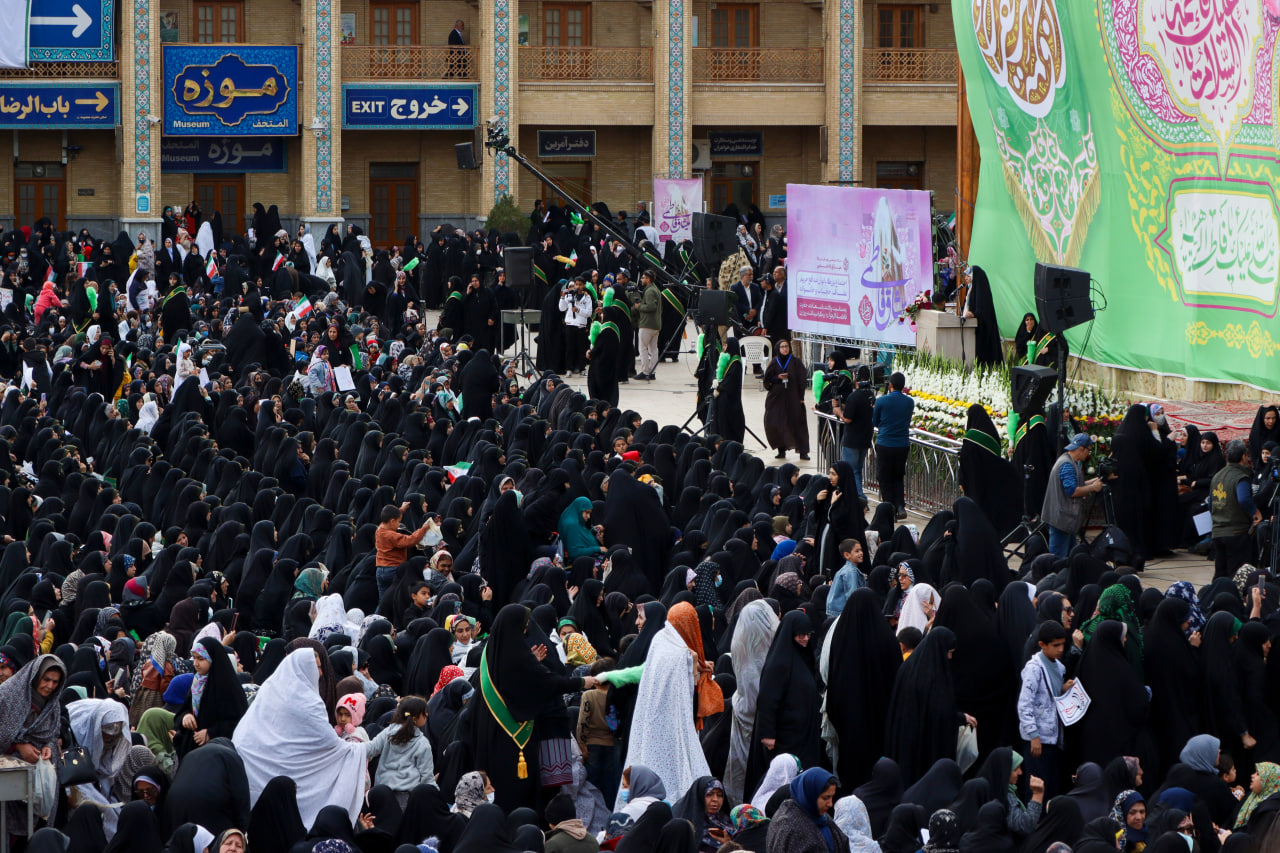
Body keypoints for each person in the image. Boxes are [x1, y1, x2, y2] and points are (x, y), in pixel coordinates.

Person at [1017, 621, 1075, 798]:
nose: (1060, 649)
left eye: (1062, 645)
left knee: (1051, 785)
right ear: (1042, 645)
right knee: (1037, 787)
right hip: (1037, 739)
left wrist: (1064, 689)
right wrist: (1033, 735)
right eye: (1055, 645)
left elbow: (1051, 695)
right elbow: (1024, 703)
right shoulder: (1034, 669)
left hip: (1053, 738)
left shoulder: (1058, 666)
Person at [365, 695, 435, 808]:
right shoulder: (422, 743)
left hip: (382, 791)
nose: (427, 715)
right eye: (424, 713)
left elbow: (371, 749)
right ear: (415, 718)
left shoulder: (389, 732)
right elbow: (426, 775)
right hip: (406, 796)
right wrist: (434, 793)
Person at [1041, 433, 1103, 559]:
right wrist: (1093, 487)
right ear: (1081, 449)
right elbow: (1072, 491)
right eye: (1088, 450)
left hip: (1065, 520)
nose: (1088, 454)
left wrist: (1093, 481)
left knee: (1069, 556)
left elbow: (1076, 484)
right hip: (1062, 520)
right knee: (1058, 558)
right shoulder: (1067, 465)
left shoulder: (1069, 460)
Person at [766, 767, 850, 853]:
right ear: (811, 795)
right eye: (825, 798)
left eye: (832, 797)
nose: (830, 804)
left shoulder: (819, 816)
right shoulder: (790, 826)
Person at [1210, 439, 1260, 579]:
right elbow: (1243, 498)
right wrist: (1255, 512)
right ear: (1244, 456)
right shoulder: (1241, 476)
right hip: (1236, 532)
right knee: (1236, 575)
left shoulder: (1217, 476)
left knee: (1220, 574)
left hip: (1218, 531)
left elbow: (1211, 504)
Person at [872, 371, 913, 519]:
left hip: (885, 443)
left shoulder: (882, 401)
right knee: (898, 476)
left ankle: (889, 508)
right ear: (903, 386)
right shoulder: (909, 402)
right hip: (902, 444)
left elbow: (875, 422)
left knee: (884, 477)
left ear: (890, 385)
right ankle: (900, 505)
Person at [762, 339, 810, 460]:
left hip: (793, 398)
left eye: (786, 346)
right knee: (777, 423)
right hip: (777, 399)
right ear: (778, 349)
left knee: (797, 423)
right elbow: (767, 380)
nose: (785, 349)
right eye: (782, 347)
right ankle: (781, 449)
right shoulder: (774, 362)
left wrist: (801, 397)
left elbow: (802, 379)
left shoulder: (795, 362)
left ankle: (803, 451)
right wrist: (777, 377)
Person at [834, 366, 874, 506]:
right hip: (865, 438)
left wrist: (838, 411)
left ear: (856, 376)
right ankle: (858, 497)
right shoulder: (870, 395)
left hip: (852, 441)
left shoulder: (854, 396)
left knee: (851, 472)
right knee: (858, 470)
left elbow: (848, 419)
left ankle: (859, 498)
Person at [375, 503, 432, 599]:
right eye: (398, 522)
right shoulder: (391, 535)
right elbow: (410, 540)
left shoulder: (380, 529)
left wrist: (401, 510)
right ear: (392, 521)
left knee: (384, 599)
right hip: (393, 569)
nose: (399, 525)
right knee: (397, 598)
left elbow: (390, 518)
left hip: (380, 569)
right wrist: (423, 529)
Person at [633, 270, 662, 381]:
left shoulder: (650, 291)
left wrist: (639, 307)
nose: (641, 280)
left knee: (643, 349)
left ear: (648, 279)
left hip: (647, 324)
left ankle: (645, 372)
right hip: (655, 324)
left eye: (643, 278)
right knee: (653, 350)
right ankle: (652, 372)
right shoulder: (656, 290)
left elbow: (651, 307)